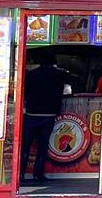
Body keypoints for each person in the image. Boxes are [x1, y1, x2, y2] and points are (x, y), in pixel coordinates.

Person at [22, 53, 70, 183]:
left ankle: (20, 175)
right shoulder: (59, 74)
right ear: (53, 62)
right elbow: (77, 80)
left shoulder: (31, 74)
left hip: (32, 114)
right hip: (49, 115)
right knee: (43, 147)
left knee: (25, 146)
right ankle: (38, 174)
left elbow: (24, 93)